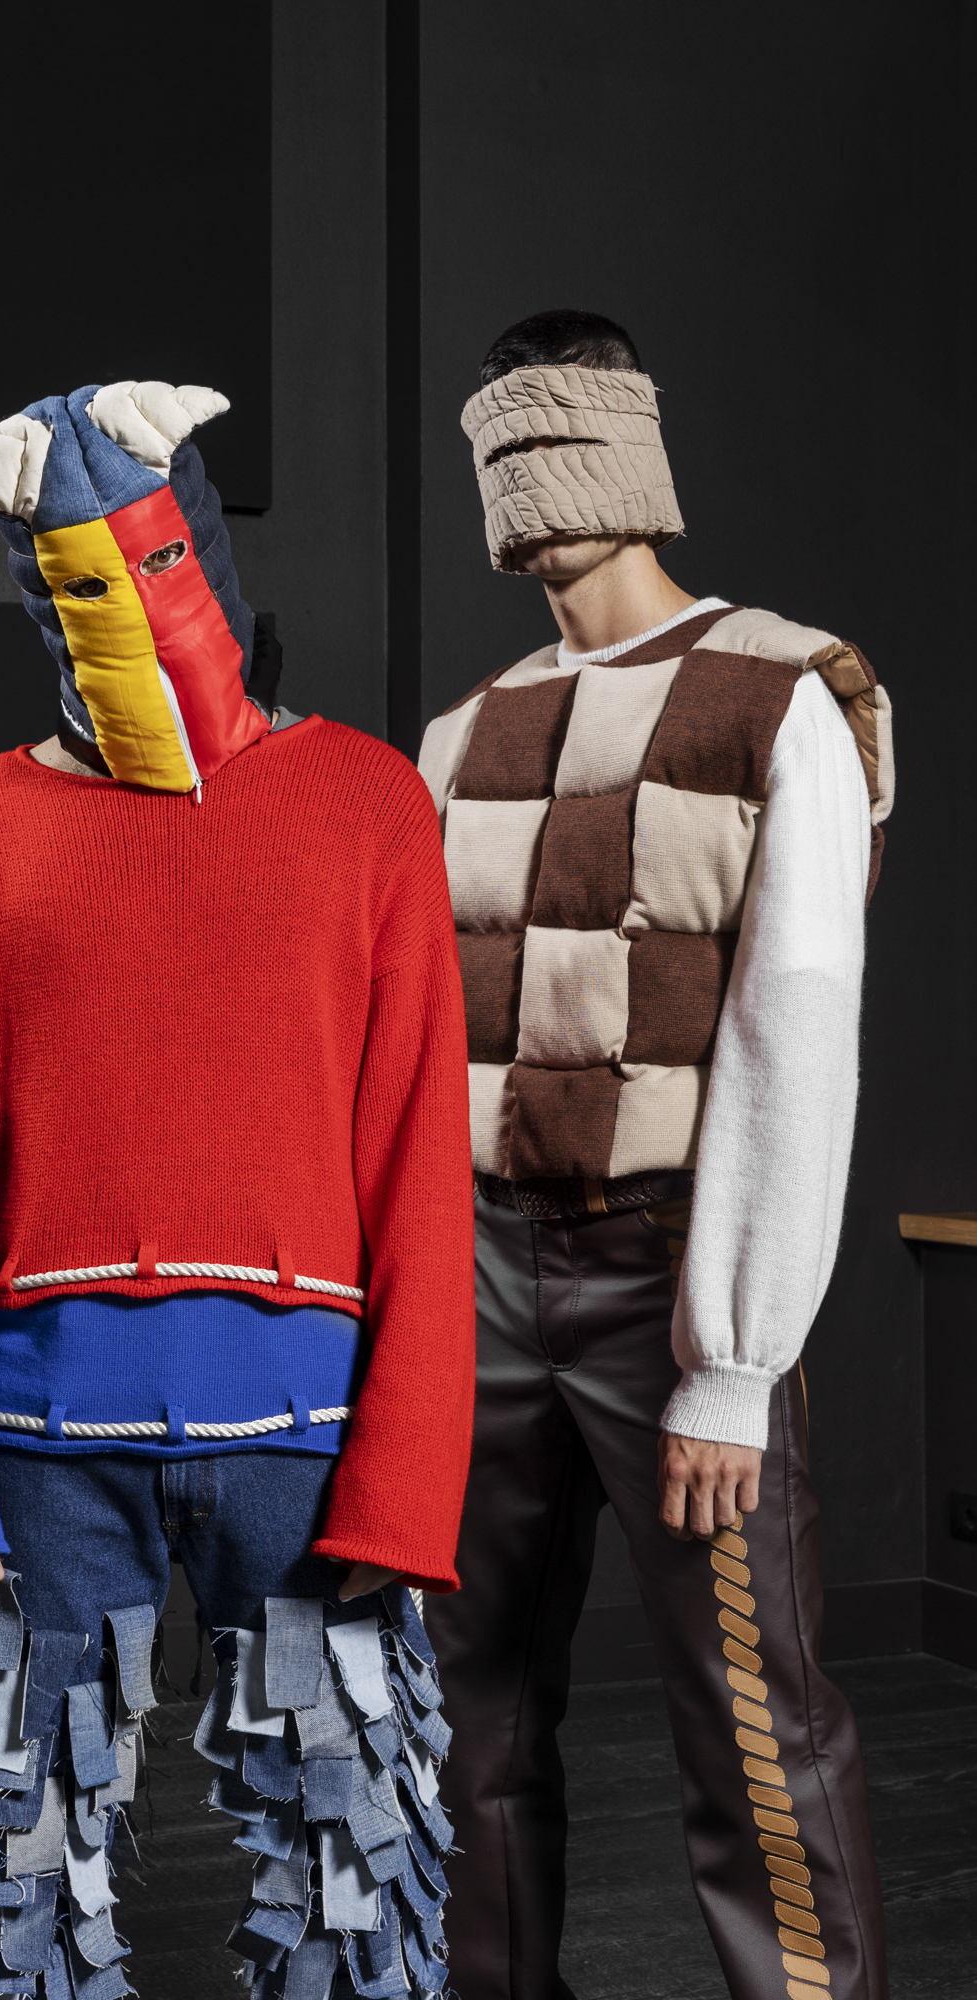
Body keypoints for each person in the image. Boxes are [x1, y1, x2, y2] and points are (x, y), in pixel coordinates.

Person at [0, 376, 474, 2000]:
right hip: (36, 1454)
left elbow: (420, 1154)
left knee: (354, 1868)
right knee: (14, 1864)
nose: (132, 617)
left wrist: (408, 1479)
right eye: (82, 582)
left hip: (307, 1450)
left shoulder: (364, 805)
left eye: (150, 562)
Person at [418, 310, 893, 2000]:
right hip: (474, 1271)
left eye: (559, 439)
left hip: (665, 1269)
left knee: (750, 1720)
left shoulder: (778, 693)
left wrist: (731, 1363)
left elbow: (792, 1026)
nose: (531, 490)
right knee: (460, 1710)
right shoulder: (458, 736)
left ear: (633, 444)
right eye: (502, 450)